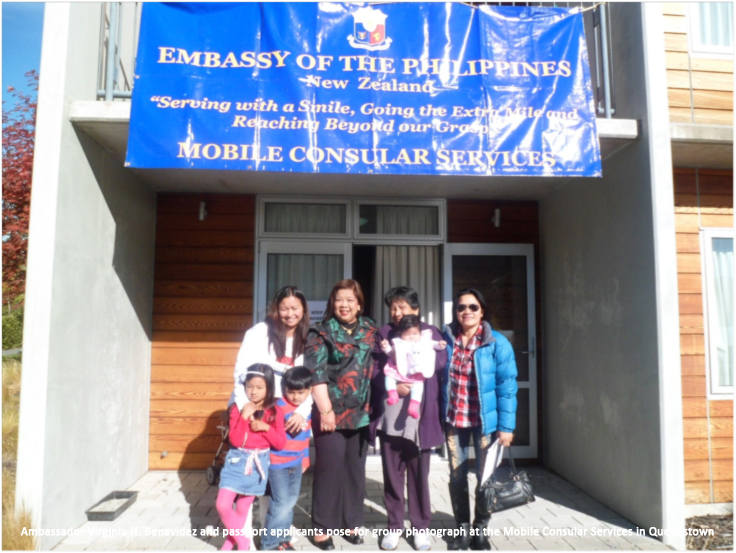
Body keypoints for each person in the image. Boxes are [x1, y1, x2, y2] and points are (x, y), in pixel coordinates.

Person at [230, 286, 312, 544]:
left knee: (273, 477)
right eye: (284, 308)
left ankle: (273, 532)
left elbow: (309, 382)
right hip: (256, 411)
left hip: (286, 415)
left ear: (303, 310)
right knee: (248, 477)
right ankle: (243, 539)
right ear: (275, 309)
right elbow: (241, 374)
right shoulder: (258, 333)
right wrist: (245, 409)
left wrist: (303, 411)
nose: (289, 314)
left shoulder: (306, 336)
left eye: (295, 308)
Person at [369, 287, 448, 552]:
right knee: (392, 475)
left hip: (419, 417)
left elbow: (440, 361)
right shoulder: (384, 333)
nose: (397, 312)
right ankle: (394, 527)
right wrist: (394, 383)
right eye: (393, 307)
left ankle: (420, 528)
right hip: (391, 415)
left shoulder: (429, 332)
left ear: (416, 309)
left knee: (419, 476)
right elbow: (373, 368)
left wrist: (416, 352)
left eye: (402, 307)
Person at [440, 288, 518, 551]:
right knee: (457, 475)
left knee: (486, 478)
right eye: (461, 307)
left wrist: (506, 427)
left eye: (473, 307)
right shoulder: (446, 339)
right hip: (454, 420)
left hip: (486, 424)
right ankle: (462, 528)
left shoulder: (496, 342)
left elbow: (507, 386)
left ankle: (480, 528)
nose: (467, 311)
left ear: (482, 311)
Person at [305, 279, 378, 551]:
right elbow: (316, 374)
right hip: (331, 413)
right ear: (332, 304)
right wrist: (325, 411)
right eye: (339, 300)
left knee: (355, 471)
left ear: (359, 304)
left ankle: (352, 523)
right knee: (329, 470)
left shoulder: (371, 329)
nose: (344, 305)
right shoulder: (320, 332)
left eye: (350, 300)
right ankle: (322, 527)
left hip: (362, 413)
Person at [216, 364, 286, 551]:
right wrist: (244, 417)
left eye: (259, 387)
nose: (253, 391)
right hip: (236, 461)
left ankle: (229, 544)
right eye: (249, 386)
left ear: (269, 387)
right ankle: (244, 542)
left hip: (257, 465)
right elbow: (235, 440)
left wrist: (266, 428)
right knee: (223, 505)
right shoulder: (237, 408)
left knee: (242, 509)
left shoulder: (275, 412)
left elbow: (280, 443)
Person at [261, 367, 313, 551]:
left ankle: (283, 539)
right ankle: (269, 544)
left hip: (296, 463)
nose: (296, 397)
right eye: (291, 392)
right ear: (284, 389)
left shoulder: (305, 410)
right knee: (280, 504)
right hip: (278, 464)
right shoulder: (277, 408)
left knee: (290, 502)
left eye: (301, 392)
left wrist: (305, 458)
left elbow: (305, 436)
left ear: (309, 390)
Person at [380, 315, 446, 419]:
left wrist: (440, 344)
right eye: (406, 334)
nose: (411, 337)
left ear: (420, 333)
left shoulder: (424, 341)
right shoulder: (399, 343)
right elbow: (390, 352)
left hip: (415, 373)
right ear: (401, 334)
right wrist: (385, 347)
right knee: (389, 377)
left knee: (418, 387)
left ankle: (413, 407)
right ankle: (392, 394)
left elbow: (434, 344)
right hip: (398, 371)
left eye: (414, 334)